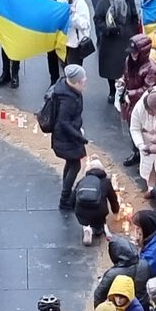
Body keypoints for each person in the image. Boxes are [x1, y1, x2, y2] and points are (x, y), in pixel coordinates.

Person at [41, 66, 91, 210]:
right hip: (67, 137)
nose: (85, 81)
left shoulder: (65, 88)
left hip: (67, 135)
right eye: (83, 80)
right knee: (75, 165)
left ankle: (66, 194)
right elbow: (63, 122)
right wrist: (80, 137)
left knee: (71, 163)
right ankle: (65, 199)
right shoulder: (68, 100)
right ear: (75, 82)